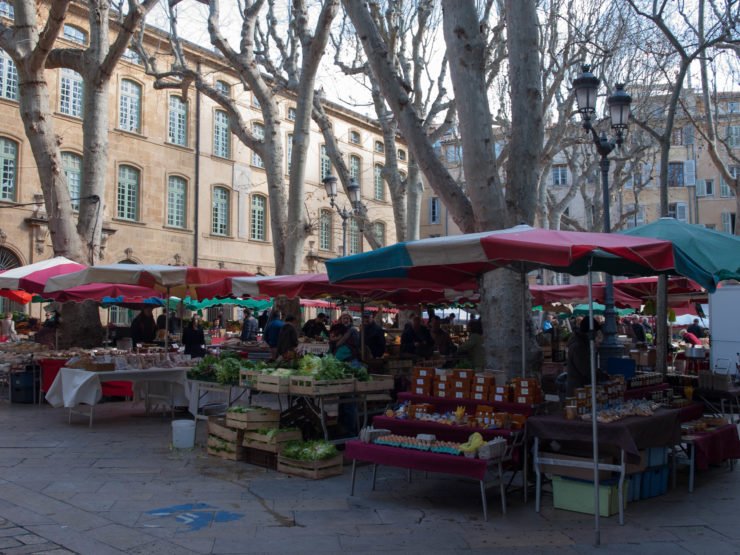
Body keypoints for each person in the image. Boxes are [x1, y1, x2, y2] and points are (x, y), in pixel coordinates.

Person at [566, 318, 601, 396]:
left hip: (580, 388)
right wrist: (599, 376)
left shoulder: (582, 343)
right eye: (595, 332)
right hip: (579, 390)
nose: (596, 335)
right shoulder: (579, 346)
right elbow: (585, 370)